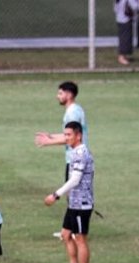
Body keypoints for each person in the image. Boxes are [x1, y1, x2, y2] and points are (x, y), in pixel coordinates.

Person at [35, 81, 88, 239]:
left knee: (72, 194)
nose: (58, 96)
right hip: (73, 157)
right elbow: (67, 135)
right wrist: (50, 136)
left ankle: (72, 231)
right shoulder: (74, 110)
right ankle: (69, 230)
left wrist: (48, 142)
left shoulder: (72, 113)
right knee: (71, 195)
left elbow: (70, 138)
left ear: (69, 94)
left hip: (76, 158)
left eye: (60, 93)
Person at [44, 121, 94, 263]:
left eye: (68, 135)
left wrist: (55, 195)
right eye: (64, 135)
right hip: (74, 203)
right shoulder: (75, 151)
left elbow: (75, 179)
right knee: (66, 235)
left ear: (78, 135)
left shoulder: (81, 153)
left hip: (82, 204)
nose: (66, 138)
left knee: (80, 238)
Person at [114, 0, 138, 65]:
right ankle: (121, 57)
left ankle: (124, 56)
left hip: (120, 19)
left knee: (125, 38)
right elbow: (135, 6)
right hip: (125, 20)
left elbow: (115, 9)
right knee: (125, 39)